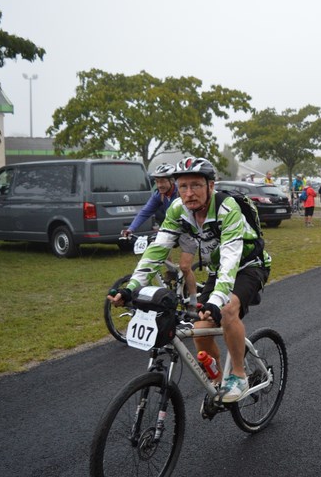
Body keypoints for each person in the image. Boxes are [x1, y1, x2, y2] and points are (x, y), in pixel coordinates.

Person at [108, 157, 271, 404]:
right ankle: (217, 382)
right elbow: (157, 250)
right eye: (183, 187)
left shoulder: (227, 208)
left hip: (248, 265)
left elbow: (230, 258)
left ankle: (239, 375)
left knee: (227, 310)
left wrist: (216, 300)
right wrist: (131, 287)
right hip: (220, 269)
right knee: (199, 330)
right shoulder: (177, 209)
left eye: (196, 185)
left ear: (211, 186)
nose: (189, 193)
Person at [119, 163, 199, 306]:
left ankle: (193, 301)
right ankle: (172, 272)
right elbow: (145, 212)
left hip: (188, 232)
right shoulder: (159, 196)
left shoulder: (182, 194)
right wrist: (131, 229)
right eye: (156, 181)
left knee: (185, 267)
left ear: (171, 181)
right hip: (171, 230)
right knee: (159, 248)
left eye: (162, 181)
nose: (159, 184)